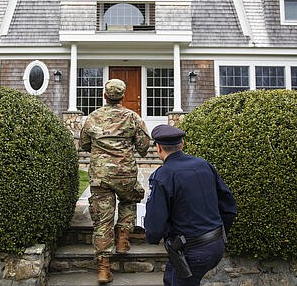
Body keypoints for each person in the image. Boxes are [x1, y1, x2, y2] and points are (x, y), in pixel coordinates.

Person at [145, 124, 237, 286]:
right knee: (170, 278)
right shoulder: (204, 165)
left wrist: (152, 237)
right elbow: (229, 206)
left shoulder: (163, 176)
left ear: (158, 148)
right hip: (216, 244)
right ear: (182, 144)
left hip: (192, 252)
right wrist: (219, 235)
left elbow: (155, 227)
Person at [80, 78, 150, 284]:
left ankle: (103, 269)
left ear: (104, 95)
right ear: (122, 96)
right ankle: (122, 239)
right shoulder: (132, 117)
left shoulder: (93, 117)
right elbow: (144, 147)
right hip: (125, 173)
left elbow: (84, 144)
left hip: (100, 175)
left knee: (102, 221)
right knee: (130, 199)